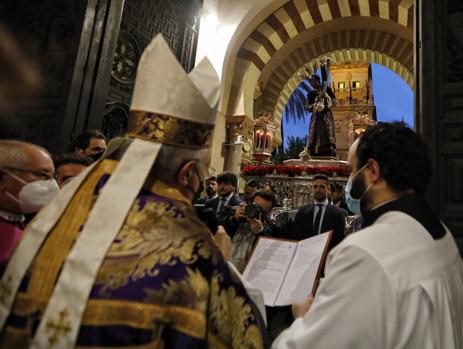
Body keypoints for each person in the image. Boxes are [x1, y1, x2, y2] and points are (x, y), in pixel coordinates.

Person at [0, 34, 268, 348]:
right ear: (187, 175)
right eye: (203, 168)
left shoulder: (58, 217)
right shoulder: (192, 249)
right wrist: (222, 264)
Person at [273, 123, 463, 349]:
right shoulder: (440, 233)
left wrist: (303, 317)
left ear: (372, 171)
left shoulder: (364, 252)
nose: (349, 182)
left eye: (352, 171)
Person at [0, 140, 58, 274]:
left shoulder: (24, 224)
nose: (52, 184)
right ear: (2, 178)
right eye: (43, 175)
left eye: (52, 176)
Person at [288, 174, 346, 249]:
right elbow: (297, 237)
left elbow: (339, 241)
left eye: (321, 187)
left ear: (328, 189)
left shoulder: (339, 213)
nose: (318, 190)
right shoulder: (302, 212)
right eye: (315, 187)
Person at [230, 189, 275, 271]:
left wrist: (260, 232)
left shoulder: (269, 228)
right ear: (249, 203)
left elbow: (268, 253)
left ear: (268, 212)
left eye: (262, 210)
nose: (256, 212)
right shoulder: (234, 213)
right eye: (255, 206)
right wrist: (234, 220)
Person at [305, 59, 337, 157]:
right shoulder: (311, 94)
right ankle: (312, 150)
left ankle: (328, 149)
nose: (313, 84)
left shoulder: (326, 89)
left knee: (327, 133)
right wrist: (315, 106)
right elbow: (307, 107)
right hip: (316, 118)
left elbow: (335, 102)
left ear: (318, 81)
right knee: (314, 134)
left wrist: (326, 102)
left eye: (314, 81)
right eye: (311, 83)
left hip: (326, 115)